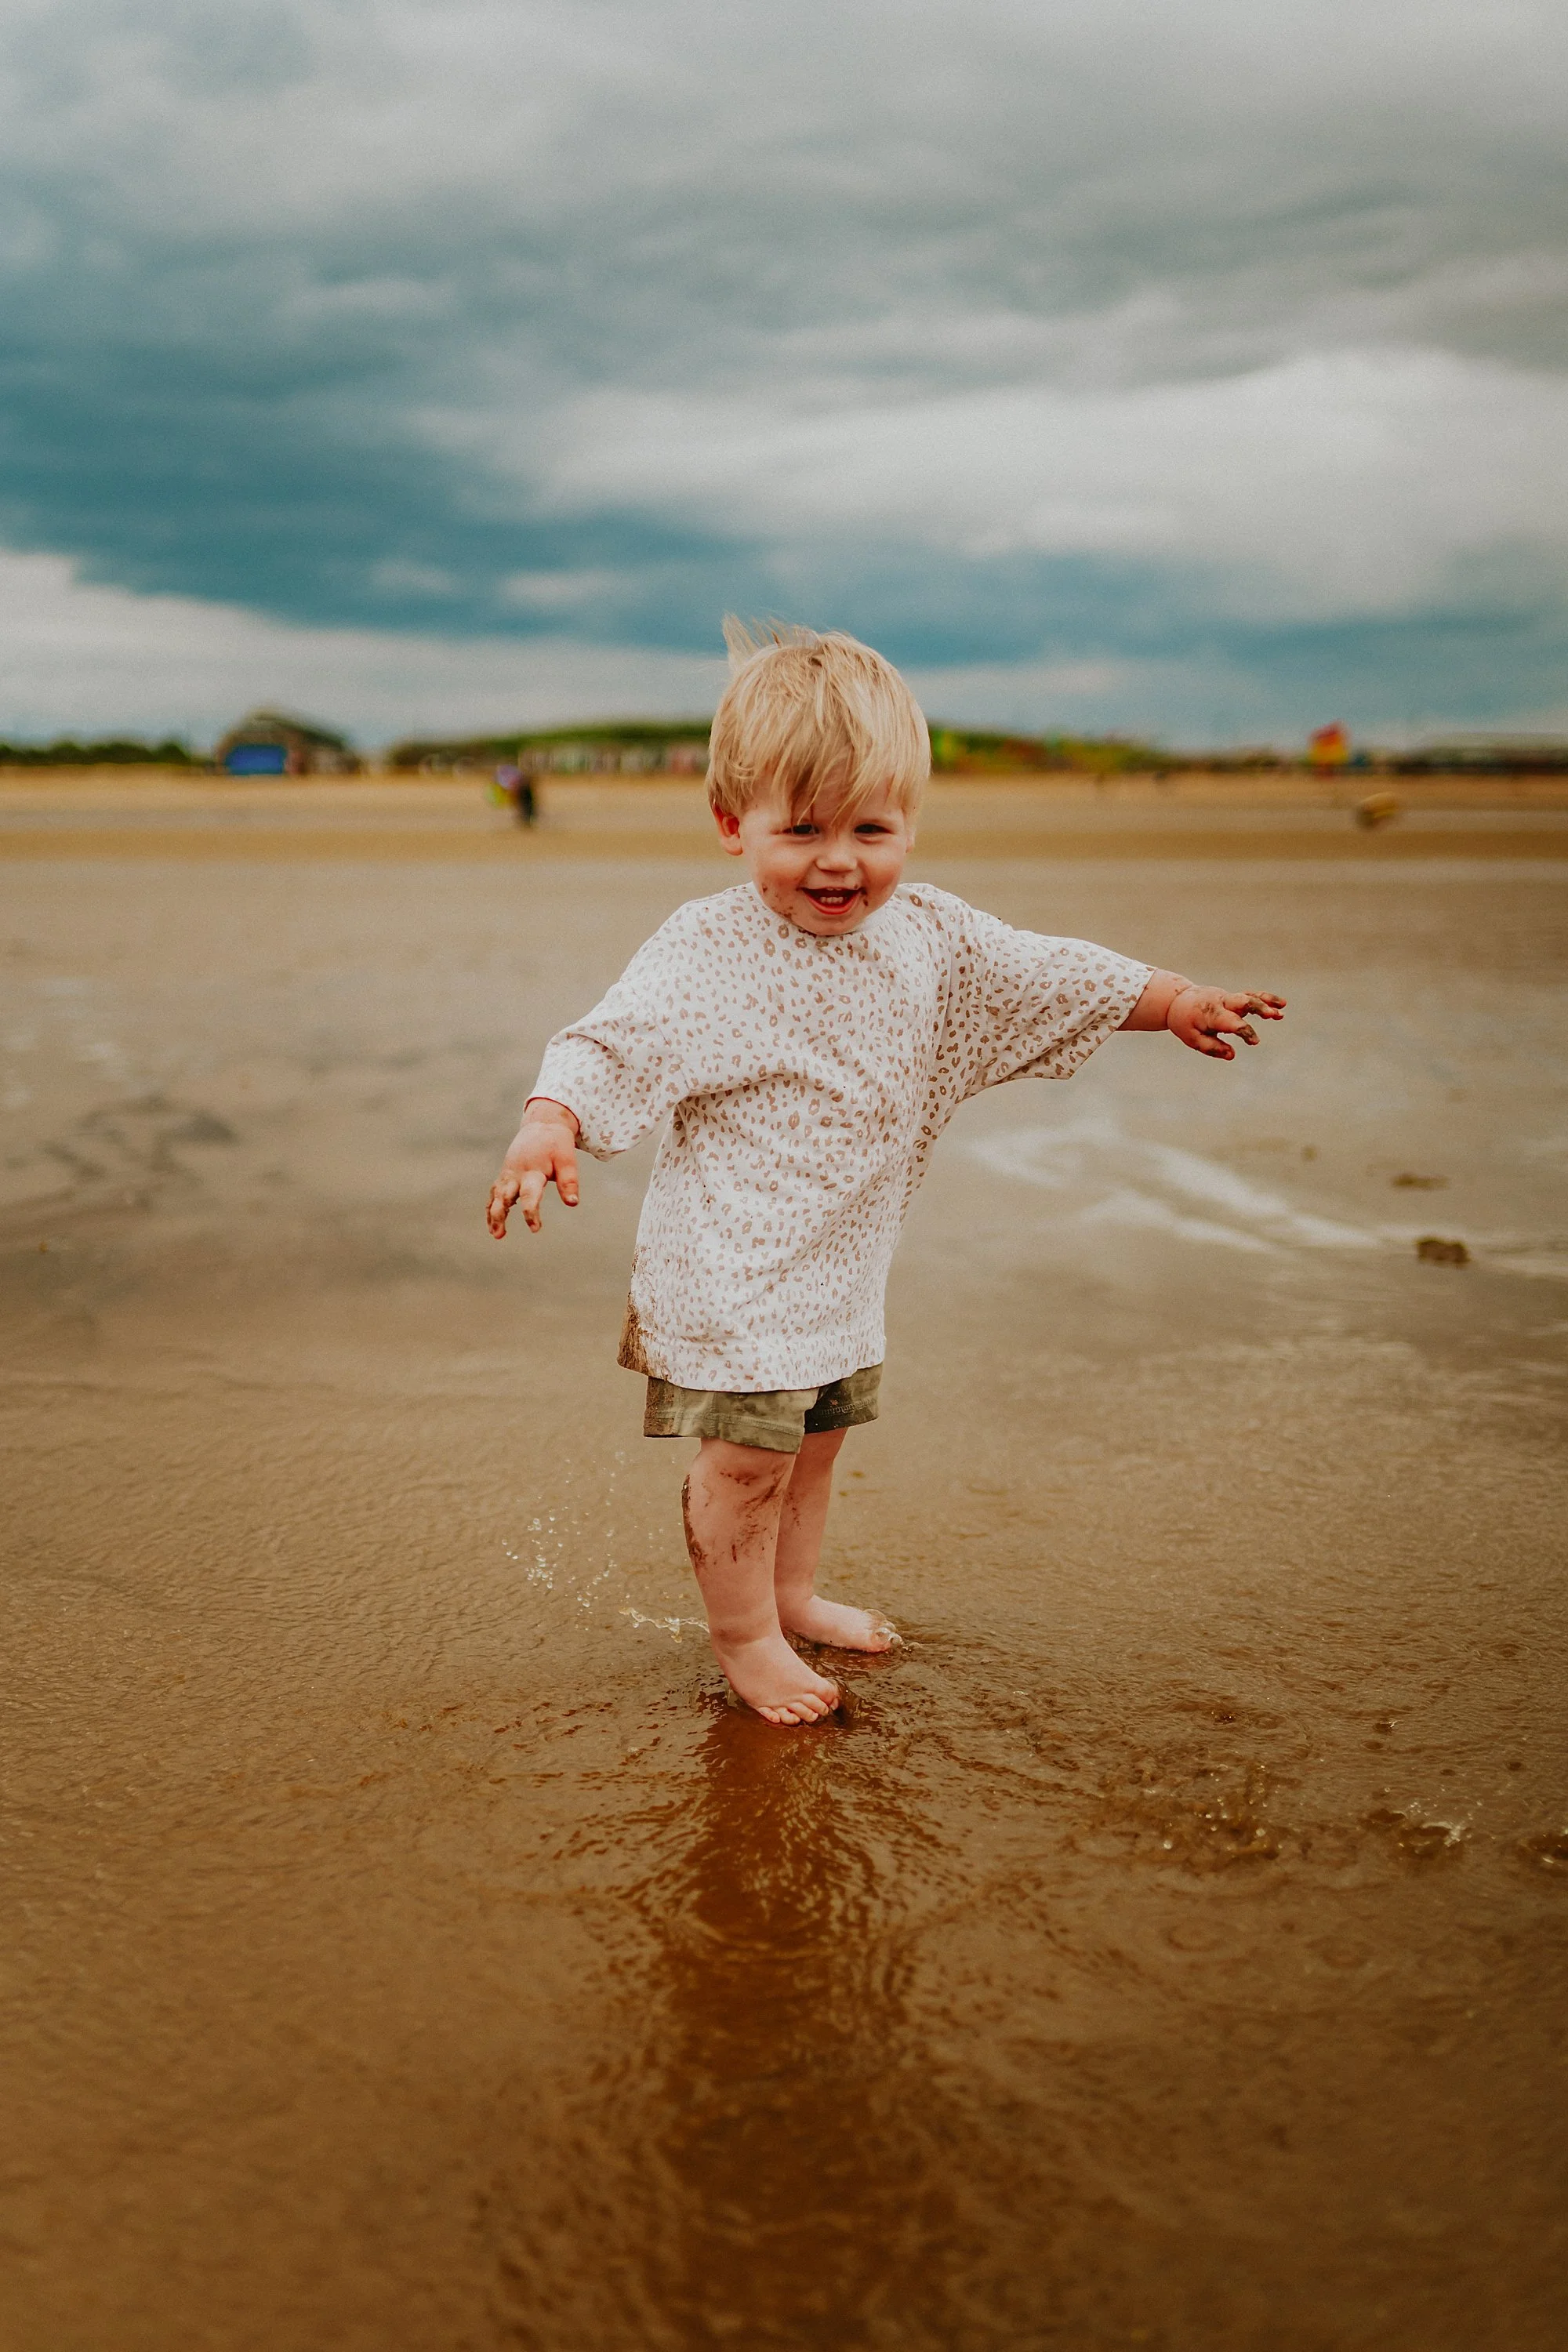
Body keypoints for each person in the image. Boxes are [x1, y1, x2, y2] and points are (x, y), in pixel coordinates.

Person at [486, 623, 1284, 1726]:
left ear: (911, 822)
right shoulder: (704, 951)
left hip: (843, 1271)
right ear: (732, 824)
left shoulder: (931, 939)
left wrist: (1174, 999)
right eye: (801, 828)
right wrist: (550, 1121)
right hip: (736, 1278)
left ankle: (794, 1595)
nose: (839, 860)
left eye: (872, 827)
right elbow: (612, 1040)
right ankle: (745, 1639)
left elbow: (1044, 975)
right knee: (746, 1469)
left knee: (816, 1451)